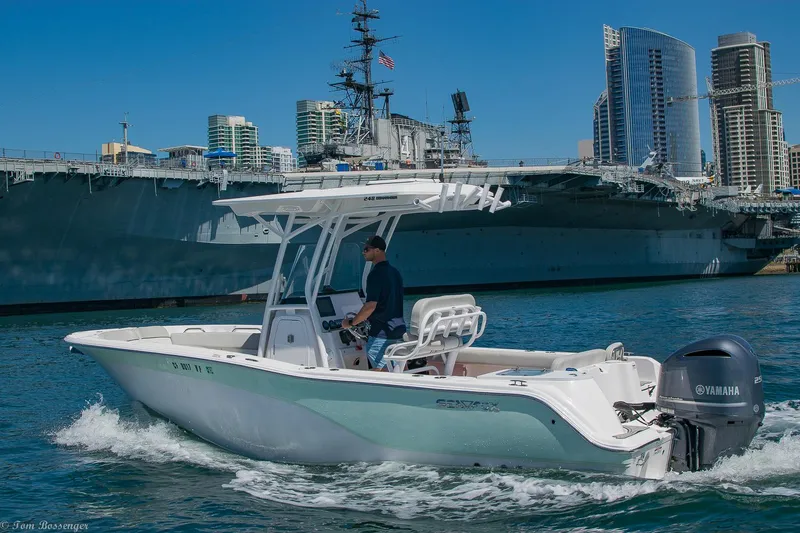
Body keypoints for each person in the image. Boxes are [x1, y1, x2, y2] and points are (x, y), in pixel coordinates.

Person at [341, 235, 406, 371]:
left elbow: (370, 307)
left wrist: (351, 323)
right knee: (396, 372)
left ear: (377, 250)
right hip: (398, 331)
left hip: (381, 334)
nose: (363, 252)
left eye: (366, 249)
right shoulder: (395, 273)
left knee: (380, 375)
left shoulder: (375, 274)